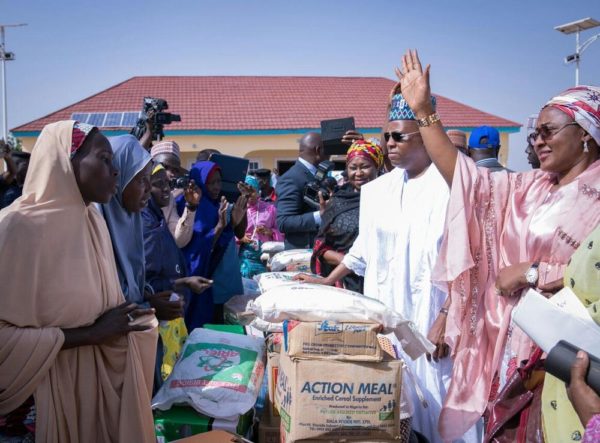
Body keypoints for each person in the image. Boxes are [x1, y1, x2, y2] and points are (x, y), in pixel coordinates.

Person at [396, 49, 600, 441]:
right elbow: (465, 177)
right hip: (509, 345)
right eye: (534, 133)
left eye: (549, 131)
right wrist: (423, 112)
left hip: (563, 358)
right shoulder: (531, 186)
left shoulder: (594, 198)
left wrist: (533, 272)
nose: (538, 141)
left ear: (586, 135)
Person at [295, 94, 479, 443]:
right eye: (386, 137)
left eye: (399, 136)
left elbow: (469, 257)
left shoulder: (450, 187)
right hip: (388, 312)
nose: (390, 144)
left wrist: (446, 315)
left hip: (433, 317)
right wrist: (326, 280)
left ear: (425, 135)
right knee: (396, 400)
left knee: (439, 400)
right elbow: (362, 251)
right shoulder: (378, 190)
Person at [0, 121, 158, 442]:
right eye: (103, 159)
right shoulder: (17, 228)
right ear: (66, 161)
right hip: (35, 406)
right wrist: (89, 335)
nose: (115, 172)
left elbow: (105, 308)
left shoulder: (93, 223)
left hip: (90, 396)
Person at [142, 164, 212, 387]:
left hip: (168, 311)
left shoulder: (156, 217)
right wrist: (181, 283)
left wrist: (184, 282)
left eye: (168, 184)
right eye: (158, 184)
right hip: (155, 317)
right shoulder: (145, 223)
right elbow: (145, 280)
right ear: (144, 186)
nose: (166, 189)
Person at [308, 139, 384, 294]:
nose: (358, 173)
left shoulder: (389, 199)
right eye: (353, 168)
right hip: (344, 283)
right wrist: (347, 261)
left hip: (382, 279)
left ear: (378, 167)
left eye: (365, 166)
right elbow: (321, 247)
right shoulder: (337, 201)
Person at [178, 161, 248, 329]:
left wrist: (231, 224)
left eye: (219, 182)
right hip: (196, 279)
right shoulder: (193, 205)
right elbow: (198, 248)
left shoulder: (214, 205)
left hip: (216, 281)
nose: (217, 187)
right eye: (212, 183)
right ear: (200, 182)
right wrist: (222, 227)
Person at [276, 132, 329, 250]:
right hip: (303, 256)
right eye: (328, 150)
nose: (330, 155)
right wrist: (320, 215)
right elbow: (284, 222)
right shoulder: (291, 178)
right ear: (318, 150)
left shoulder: (317, 174)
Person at [150, 140, 200, 248]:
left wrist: (191, 208)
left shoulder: (169, 199)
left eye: (175, 170)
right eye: (165, 167)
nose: (170, 173)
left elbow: (178, 241)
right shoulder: (137, 195)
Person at [238, 175, 283, 278]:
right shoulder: (239, 209)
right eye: (246, 192)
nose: (249, 195)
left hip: (266, 258)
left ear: (258, 192)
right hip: (246, 259)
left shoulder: (270, 209)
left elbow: (281, 232)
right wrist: (241, 237)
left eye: (252, 191)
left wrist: (270, 232)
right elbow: (231, 232)